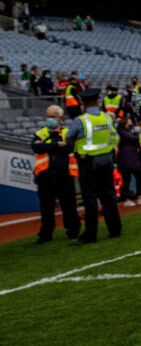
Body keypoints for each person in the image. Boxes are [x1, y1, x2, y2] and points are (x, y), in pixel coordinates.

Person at [64, 86, 122, 244]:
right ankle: (115, 229)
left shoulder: (81, 120)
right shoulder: (107, 118)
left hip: (88, 163)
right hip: (106, 161)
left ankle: (90, 234)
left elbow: (69, 137)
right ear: (97, 101)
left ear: (82, 103)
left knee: (90, 199)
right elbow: (113, 136)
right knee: (108, 196)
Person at [32, 104, 80, 243]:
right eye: (48, 116)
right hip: (45, 177)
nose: (49, 119)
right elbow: (36, 147)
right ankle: (45, 234)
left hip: (64, 175)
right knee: (46, 208)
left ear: (60, 118)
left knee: (69, 206)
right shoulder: (39, 133)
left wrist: (47, 146)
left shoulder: (67, 133)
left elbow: (69, 148)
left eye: (52, 116)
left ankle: (73, 231)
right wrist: (56, 145)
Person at [115, 115, 141, 206]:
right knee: (127, 179)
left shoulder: (127, 131)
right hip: (126, 158)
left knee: (139, 176)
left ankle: (140, 196)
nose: (131, 122)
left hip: (133, 158)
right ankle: (126, 199)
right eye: (129, 120)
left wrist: (133, 133)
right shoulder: (121, 132)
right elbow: (133, 138)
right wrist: (134, 133)